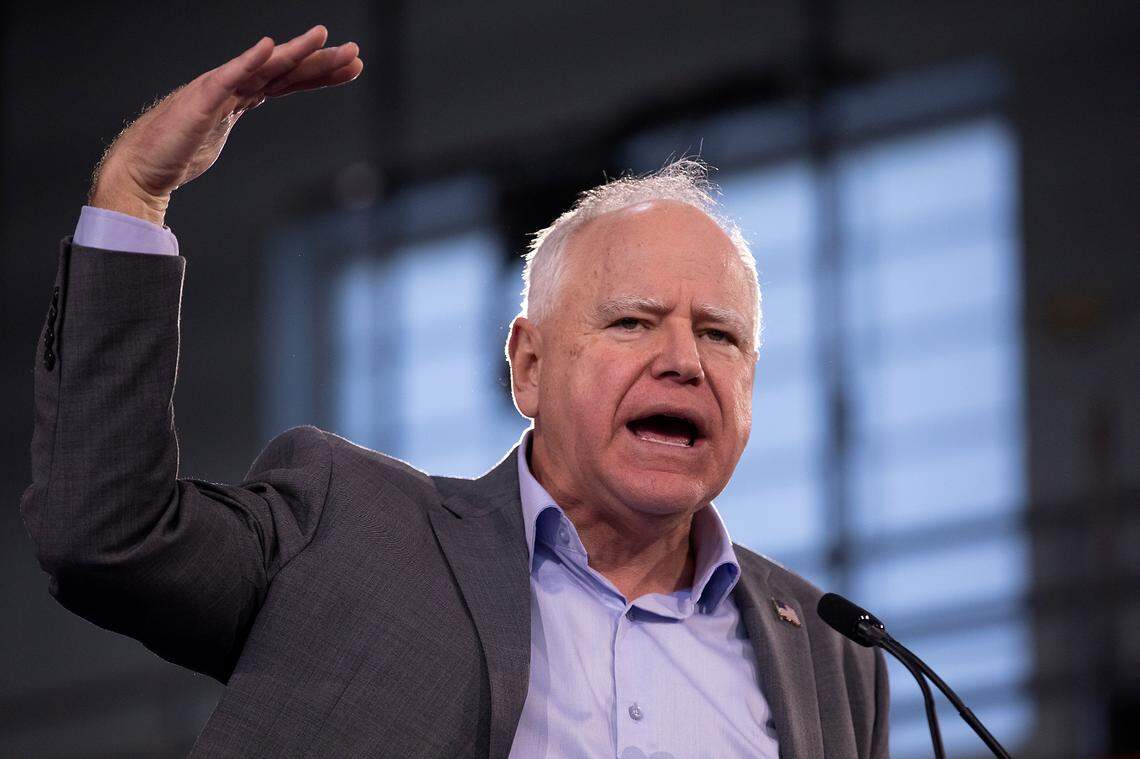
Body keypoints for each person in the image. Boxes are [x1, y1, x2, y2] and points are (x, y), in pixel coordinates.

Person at [21, 25, 888, 759]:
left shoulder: (836, 654)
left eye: (721, 335)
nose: (685, 361)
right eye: (633, 322)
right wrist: (133, 192)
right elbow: (106, 533)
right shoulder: (352, 529)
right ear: (528, 367)